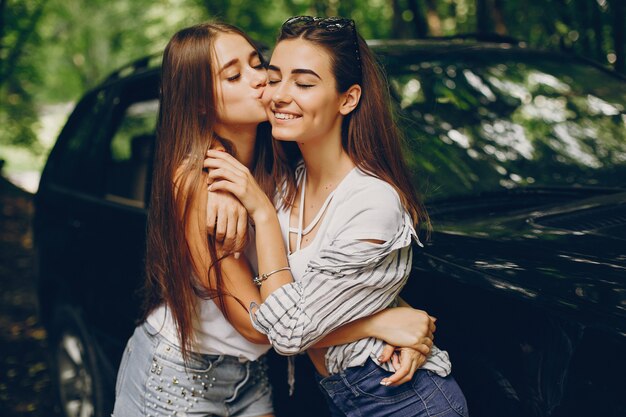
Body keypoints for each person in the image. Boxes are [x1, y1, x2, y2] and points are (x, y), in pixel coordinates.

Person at [113, 21, 436, 417]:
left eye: (257, 64)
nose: (260, 82)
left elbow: (327, 273)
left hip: (253, 373)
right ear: (199, 102)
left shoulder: (284, 160)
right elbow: (256, 325)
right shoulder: (199, 180)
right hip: (178, 373)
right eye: (234, 75)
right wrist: (380, 322)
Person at [204, 16, 468, 417]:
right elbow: (195, 117)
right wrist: (383, 322)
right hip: (339, 395)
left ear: (348, 98)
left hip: (404, 400)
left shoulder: (373, 201)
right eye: (274, 78)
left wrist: (260, 211)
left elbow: (290, 331)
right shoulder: (284, 187)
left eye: (305, 83)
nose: (280, 94)